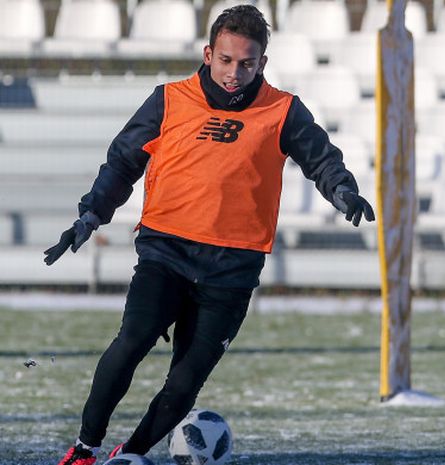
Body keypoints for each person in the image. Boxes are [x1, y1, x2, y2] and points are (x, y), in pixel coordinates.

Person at [49, 5, 374, 464]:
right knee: (132, 341)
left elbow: (321, 160)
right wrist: (90, 216)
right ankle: (85, 449)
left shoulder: (284, 110)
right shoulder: (169, 99)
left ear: (262, 62)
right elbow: (123, 162)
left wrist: (342, 189)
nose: (234, 72)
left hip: (234, 268)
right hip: (167, 250)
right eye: (225, 60)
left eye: (246, 62)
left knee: (185, 381)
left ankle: (131, 456)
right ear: (207, 54)